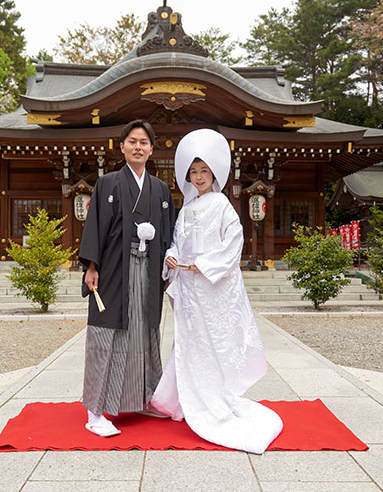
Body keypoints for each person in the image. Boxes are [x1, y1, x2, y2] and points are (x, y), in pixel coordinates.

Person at [150, 128, 283, 454]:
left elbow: (233, 242)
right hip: (191, 289)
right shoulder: (186, 208)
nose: (198, 177)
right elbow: (178, 242)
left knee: (214, 342)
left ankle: (213, 399)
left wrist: (206, 264)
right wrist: (172, 256)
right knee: (189, 341)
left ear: (214, 174)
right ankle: (183, 399)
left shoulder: (222, 205)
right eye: (193, 172)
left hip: (212, 287)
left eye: (203, 172)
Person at [78, 119, 176, 437]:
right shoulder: (107, 184)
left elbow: (169, 235)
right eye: (132, 141)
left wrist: (168, 266)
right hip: (114, 271)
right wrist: (91, 266)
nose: (138, 146)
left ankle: (144, 397)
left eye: (144, 142)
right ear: (121, 147)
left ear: (151, 149)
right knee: (107, 336)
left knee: (144, 335)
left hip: (148, 272)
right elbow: (94, 228)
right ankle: (95, 412)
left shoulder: (160, 189)